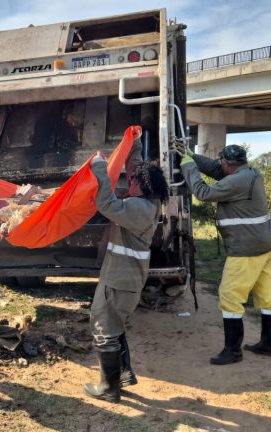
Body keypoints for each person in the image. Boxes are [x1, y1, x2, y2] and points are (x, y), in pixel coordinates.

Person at [178, 144, 271, 365]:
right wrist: (189, 154)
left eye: (221, 162)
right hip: (265, 244)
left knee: (229, 296)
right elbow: (216, 169)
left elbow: (203, 192)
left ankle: (232, 351)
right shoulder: (249, 173)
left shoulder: (236, 181)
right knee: (266, 295)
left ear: (228, 164)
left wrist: (188, 166)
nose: (219, 166)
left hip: (247, 249)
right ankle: (269, 344)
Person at [83, 143, 169, 403]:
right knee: (114, 326)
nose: (128, 182)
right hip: (123, 279)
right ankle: (121, 377)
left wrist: (98, 167)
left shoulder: (138, 208)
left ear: (141, 185)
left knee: (104, 328)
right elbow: (138, 171)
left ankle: (109, 389)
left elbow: (106, 203)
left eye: (132, 180)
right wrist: (134, 147)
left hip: (120, 280)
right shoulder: (146, 203)